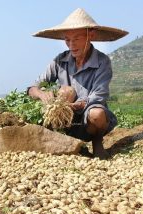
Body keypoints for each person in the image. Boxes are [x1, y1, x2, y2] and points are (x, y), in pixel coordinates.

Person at [27, 8, 128, 159]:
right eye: (67, 39)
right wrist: (42, 95)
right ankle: (65, 142)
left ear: (90, 35)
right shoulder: (60, 61)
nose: (71, 45)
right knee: (66, 91)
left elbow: (98, 96)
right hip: (66, 120)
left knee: (97, 113)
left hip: (89, 120)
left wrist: (78, 105)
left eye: (76, 39)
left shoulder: (102, 62)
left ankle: (97, 143)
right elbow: (32, 87)